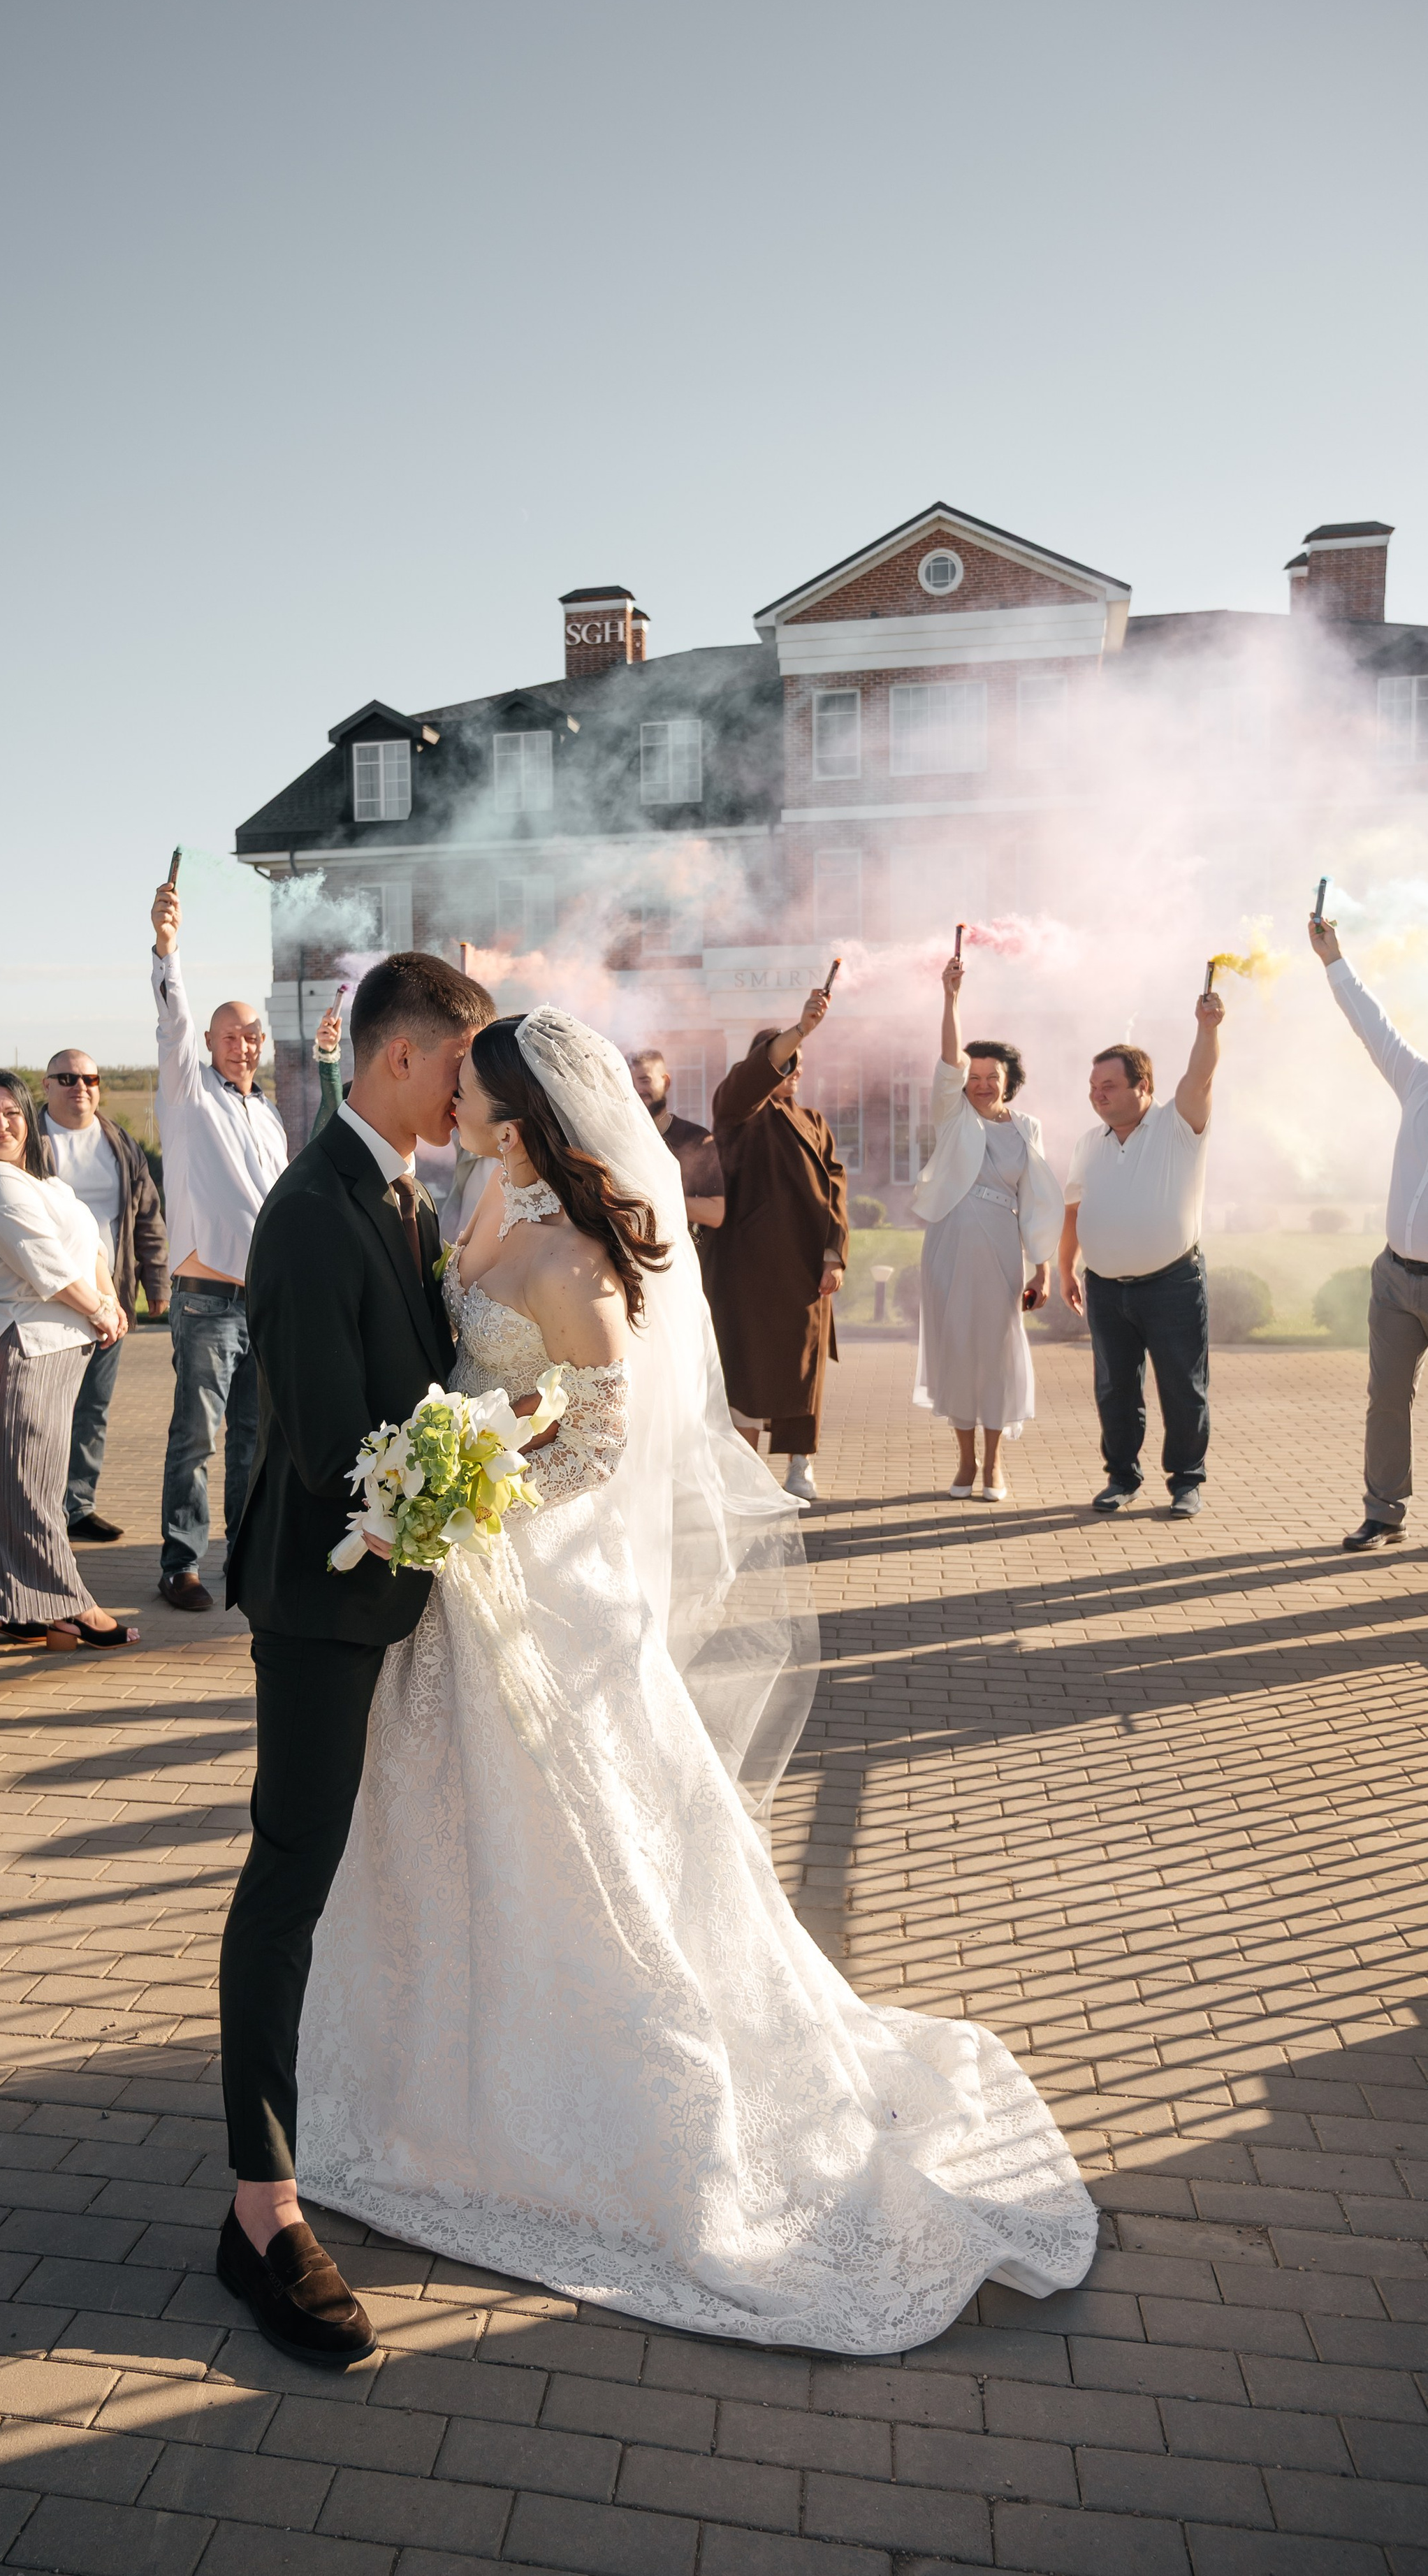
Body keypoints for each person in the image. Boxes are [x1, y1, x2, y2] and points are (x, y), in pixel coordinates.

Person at [293, 1006, 1097, 2357]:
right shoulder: (485, 1200)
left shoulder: (586, 1264)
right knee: (443, 1831)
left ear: (520, 1111)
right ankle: (433, 2069)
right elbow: (477, 1374)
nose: (459, 1104)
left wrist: (464, 1501)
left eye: (477, 1089)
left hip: (542, 1585)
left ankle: (622, 2087)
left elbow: (598, 1445)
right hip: (467, 1593)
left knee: (585, 1838)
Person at [217, 948, 497, 2368]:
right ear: (402, 1058)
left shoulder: (404, 1193)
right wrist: (471, 1471)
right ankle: (260, 2210)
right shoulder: (312, 1214)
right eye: (465, 1063)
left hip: (408, 1596)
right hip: (325, 1606)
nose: (475, 1088)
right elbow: (339, 1456)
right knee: (287, 1878)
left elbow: (425, 1395)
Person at [148, 881, 340, 1613]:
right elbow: (172, 1023)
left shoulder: (266, 1117)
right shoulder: (186, 1093)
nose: (243, 1043)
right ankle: (178, 1564)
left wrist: (326, 1065)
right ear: (209, 1043)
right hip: (204, 1300)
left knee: (254, 1444)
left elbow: (311, 1171)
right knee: (196, 1436)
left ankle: (246, 1556)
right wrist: (167, 951)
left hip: (263, 1301)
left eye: (252, 1034)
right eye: (229, 1034)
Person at [0, 1072, 138, 1651]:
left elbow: (95, 1242)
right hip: (19, 1349)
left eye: (10, 1113)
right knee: (30, 1488)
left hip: (52, 1351)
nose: (0, 1126)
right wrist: (102, 1310)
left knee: (3, 1486)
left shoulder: (46, 1185)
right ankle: (71, 1607)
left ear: (30, 1117)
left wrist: (109, 1300)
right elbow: (43, 1263)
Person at [1058, 992, 1225, 1518]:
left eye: (1109, 1086)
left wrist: (1207, 1027)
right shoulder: (1090, 1143)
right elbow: (1073, 1209)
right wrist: (1067, 1267)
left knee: (1183, 1388)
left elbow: (1199, 1076)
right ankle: (1121, 1478)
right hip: (1105, 1288)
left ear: (1143, 1087)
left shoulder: (1179, 1125)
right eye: (1093, 1087)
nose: (1098, 1095)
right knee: (1114, 1390)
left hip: (1171, 1284)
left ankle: (1186, 1484)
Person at [910, 954, 1065, 1500]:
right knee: (956, 1348)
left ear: (1009, 1082)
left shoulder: (1028, 1129)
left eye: (990, 1077)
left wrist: (1043, 1268)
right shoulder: (953, 1118)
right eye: (972, 1078)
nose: (979, 1084)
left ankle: (996, 1465)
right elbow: (949, 1061)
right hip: (950, 1242)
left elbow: (1041, 1201)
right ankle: (964, 1462)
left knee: (997, 1351)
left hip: (1003, 1246)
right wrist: (951, 997)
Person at [1308, 912, 1428, 1552]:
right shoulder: (1417, 1078)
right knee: (1386, 1397)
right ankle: (1384, 1512)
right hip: (1396, 1276)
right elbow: (1370, 1022)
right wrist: (1334, 960)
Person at [704, 985, 848, 1501]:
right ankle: (743, 1471)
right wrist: (801, 1029)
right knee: (746, 1366)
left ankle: (799, 1466)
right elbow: (746, 1084)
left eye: (801, 1061)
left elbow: (836, 1189)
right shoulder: (738, 1113)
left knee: (802, 1370)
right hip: (748, 1269)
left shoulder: (815, 1124)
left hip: (807, 1271)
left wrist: (835, 1255)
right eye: (787, 1059)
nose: (796, 1069)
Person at [39, 1049, 168, 1543]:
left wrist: (154, 1282)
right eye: (67, 1078)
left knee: (92, 1409)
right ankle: (42, 1506)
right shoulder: (29, 1141)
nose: (81, 1087)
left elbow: (148, 1213)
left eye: (90, 1078)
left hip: (108, 1299)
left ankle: (78, 1505)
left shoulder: (118, 1142)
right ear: (47, 1086)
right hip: (46, 1301)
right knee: (48, 1412)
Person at [627, 1048, 726, 1235]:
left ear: (666, 1082)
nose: (638, 1090)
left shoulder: (695, 1138)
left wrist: (652, 1199)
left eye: (645, 1080)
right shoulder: (621, 1137)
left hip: (676, 1254)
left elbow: (716, 1212)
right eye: (630, 1084)